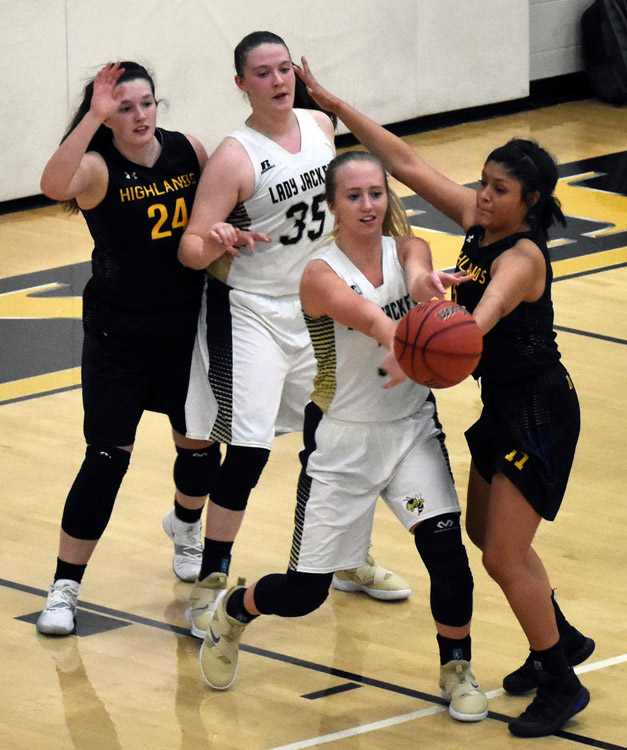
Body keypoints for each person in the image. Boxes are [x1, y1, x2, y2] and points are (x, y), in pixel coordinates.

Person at [293, 60, 594, 737]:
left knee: (503, 556)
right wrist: (338, 105)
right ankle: (562, 638)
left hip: (539, 412)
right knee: (484, 535)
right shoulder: (478, 222)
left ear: (530, 200)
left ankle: (561, 681)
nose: (481, 196)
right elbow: (403, 162)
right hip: (503, 405)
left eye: (498, 189)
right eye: (482, 182)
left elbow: (475, 325)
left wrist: (413, 348)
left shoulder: (521, 259)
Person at [197, 150, 489, 722]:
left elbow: (418, 274)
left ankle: (457, 668)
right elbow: (371, 319)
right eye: (353, 196)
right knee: (304, 594)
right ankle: (235, 610)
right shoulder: (319, 275)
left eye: (376, 193)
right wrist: (409, 339)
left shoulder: (408, 248)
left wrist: (428, 288)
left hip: (410, 429)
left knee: (447, 555)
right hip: (341, 441)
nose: (368, 205)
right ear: (332, 206)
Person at [177, 31, 410, 641]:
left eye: (284, 68)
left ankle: (344, 557)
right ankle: (212, 578)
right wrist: (216, 239)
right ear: (241, 84)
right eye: (263, 73)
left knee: (340, 437)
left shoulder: (320, 127)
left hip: (314, 306)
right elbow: (190, 248)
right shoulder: (234, 157)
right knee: (249, 449)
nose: (278, 80)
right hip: (251, 311)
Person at [36, 60, 226, 635]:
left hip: (185, 328)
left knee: (200, 449)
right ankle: (64, 587)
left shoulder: (188, 150)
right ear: (106, 116)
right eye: (124, 108)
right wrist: (91, 118)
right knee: (105, 459)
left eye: (147, 103)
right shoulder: (96, 165)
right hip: (118, 336)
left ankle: (186, 527)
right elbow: (52, 186)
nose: (140, 116)